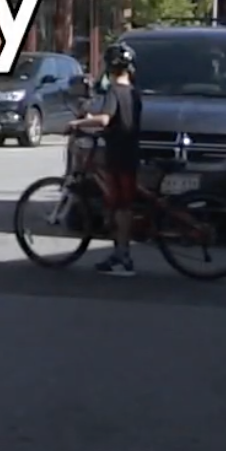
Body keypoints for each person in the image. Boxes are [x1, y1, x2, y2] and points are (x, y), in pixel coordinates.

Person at [73, 42, 144, 277]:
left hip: (118, 155)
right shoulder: (134, 93)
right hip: (131, 151)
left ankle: (123, 256)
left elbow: (105, 120)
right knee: (120, 204)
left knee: (121, 206)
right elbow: (118, 120)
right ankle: (117, 253)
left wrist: (78, 123)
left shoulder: (114, 91)